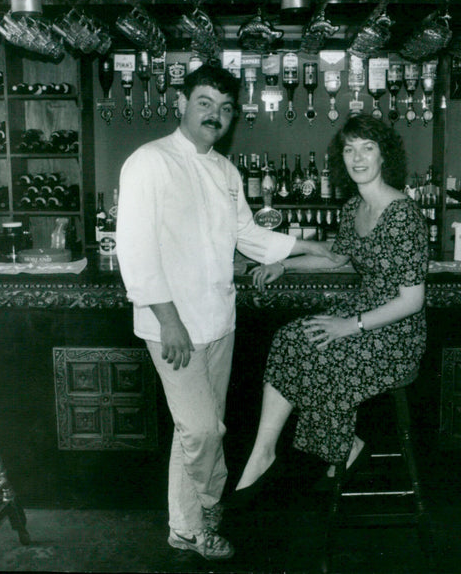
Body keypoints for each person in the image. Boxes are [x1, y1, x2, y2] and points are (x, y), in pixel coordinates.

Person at [115, 64, 342, 561]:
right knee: (202, 432)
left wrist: (311, 247)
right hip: (171, 324)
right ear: (181, 102)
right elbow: (134, 252)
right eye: (204, 103)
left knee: (191, 431)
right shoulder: (148, 163)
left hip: (219, 319)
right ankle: (208, 521)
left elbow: (250, 237)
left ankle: (181, 527)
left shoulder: (225, 170)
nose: (214, 116)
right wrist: (169, 320)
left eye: (224, 108)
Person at [233, 114, 428, 499]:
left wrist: (349, 326)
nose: (358, 158)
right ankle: (263, 452)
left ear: (383, 156)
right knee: (292, 338)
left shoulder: (404, 215)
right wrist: (280, 264)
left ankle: (347, 446)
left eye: (367, 148)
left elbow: (412, 300)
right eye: (349, 149)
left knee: (322, 351)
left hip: (396, 334)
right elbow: (337, 258)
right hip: (365, 312)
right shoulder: (354, 207)